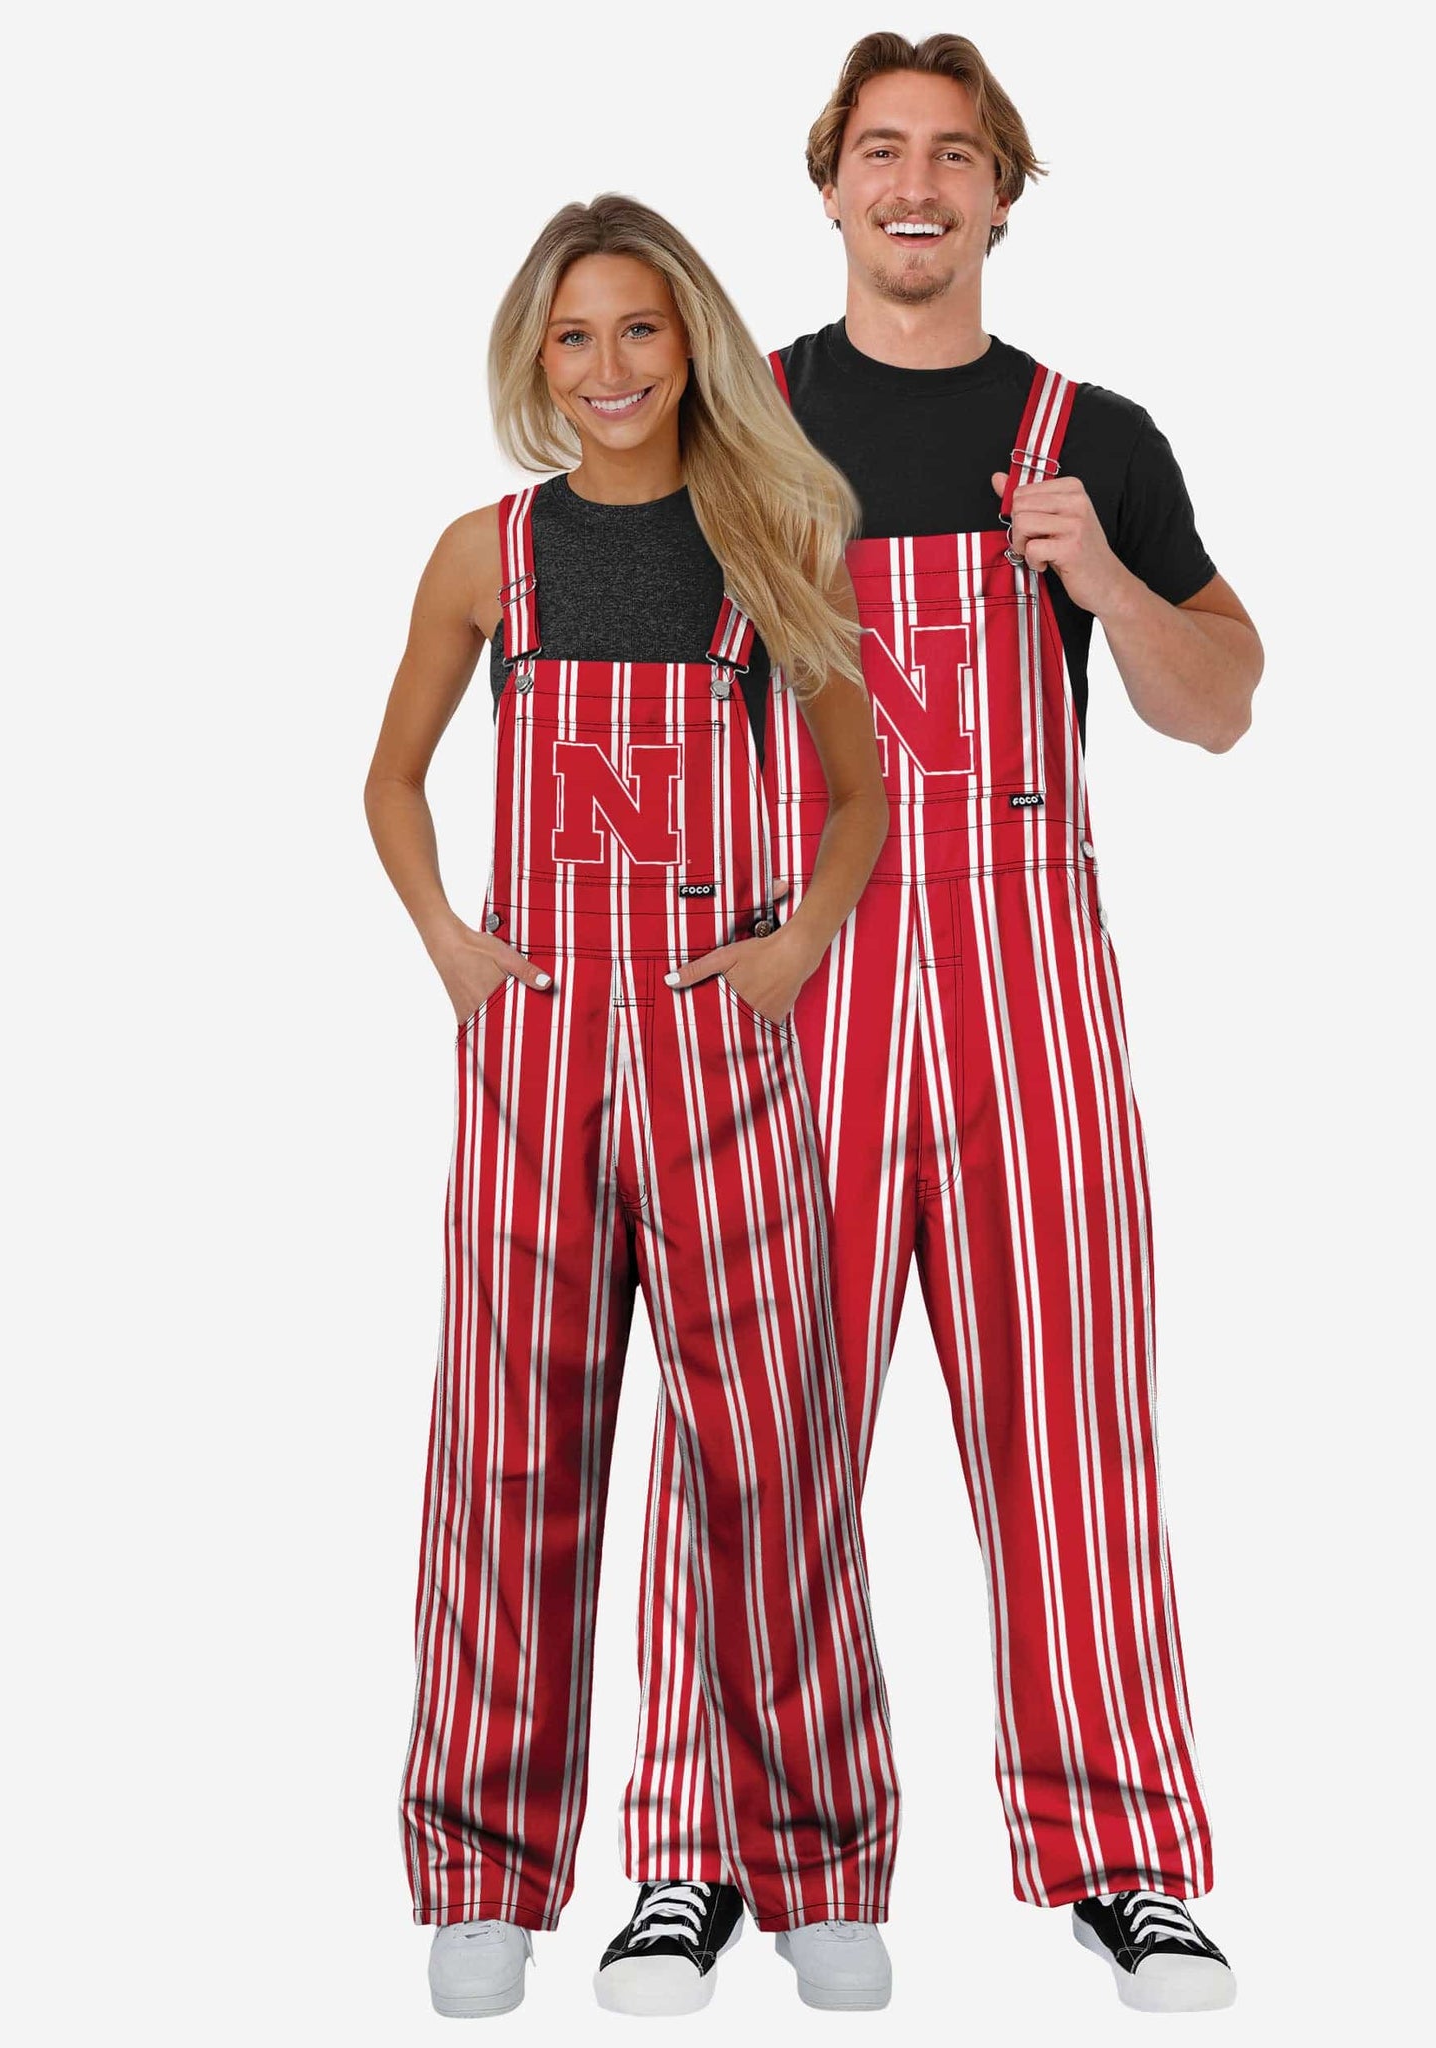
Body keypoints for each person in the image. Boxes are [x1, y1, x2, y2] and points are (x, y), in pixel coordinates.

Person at [618, 33, 1263, 2015]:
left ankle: (1124, 1857)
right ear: (829, 183)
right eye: (883, 152)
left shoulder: (1096, 436)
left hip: (1023, 989)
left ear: (1001, 191)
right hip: (790, 971)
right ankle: (702, 1848)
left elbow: (1222, 701)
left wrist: (1105, 579)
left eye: (955, 157)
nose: (917, 186)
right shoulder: (726, 430)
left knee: (1071, 1423)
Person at [364, 193, 901, 2020]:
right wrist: (453, 948)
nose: (609, 367)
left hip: (715, 1044)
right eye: (575, 336)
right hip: (534, 1045)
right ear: (538, 355)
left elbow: (859, 796)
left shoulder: (775, 542)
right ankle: (483, 1878)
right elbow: (390, 778)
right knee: (508, 1453)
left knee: (772, 1459)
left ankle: (819, 1872)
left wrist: (796, 949)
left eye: (641, 330)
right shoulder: (483, 555)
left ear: (694, 346)